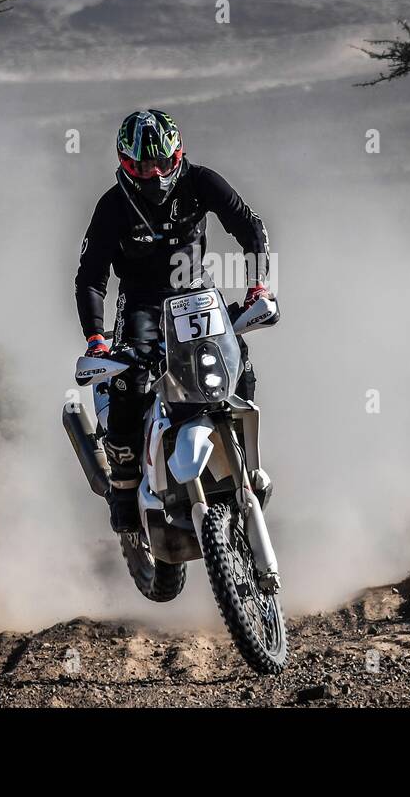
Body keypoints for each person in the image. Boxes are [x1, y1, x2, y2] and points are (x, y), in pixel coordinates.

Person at [75, 109, 273, 532]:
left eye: (163, 162)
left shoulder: (201, 181)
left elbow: (250, 228)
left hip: (198, 293)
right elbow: (91, 279)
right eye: (145, 165)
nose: (156, 173)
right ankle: (125, 487)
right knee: (128, 381)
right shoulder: (113, 206)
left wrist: (258, 289)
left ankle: (240, 455)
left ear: (178, 154)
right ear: (126, 164)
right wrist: (96, 340)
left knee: (239, 357)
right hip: (142, 305)